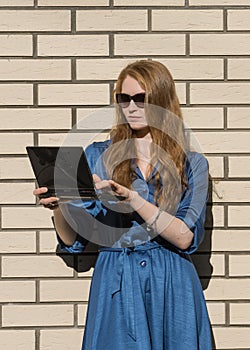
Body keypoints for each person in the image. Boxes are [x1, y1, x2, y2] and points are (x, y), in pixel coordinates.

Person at [33, 60, 212, 350]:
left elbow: (184, 236)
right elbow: (74, 240)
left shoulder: (191, 164)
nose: (131, 106)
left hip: (171, 282)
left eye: (141, 98)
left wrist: (134, 199)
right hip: (116, 280)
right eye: (123, 98)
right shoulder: (96, 156)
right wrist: (59, 207)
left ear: (161, 100)